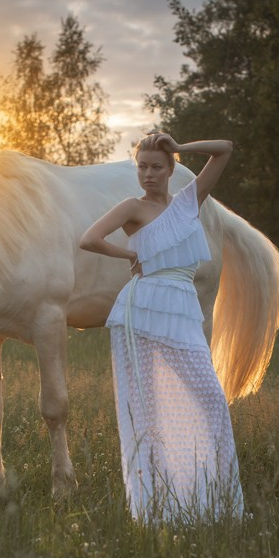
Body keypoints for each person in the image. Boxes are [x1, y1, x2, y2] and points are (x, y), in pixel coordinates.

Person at [79, 131, 244, 524]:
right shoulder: (132, 207)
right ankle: (155, 509)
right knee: (148, 413)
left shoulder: (188, 201)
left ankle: (213, 502)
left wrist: (180, 148)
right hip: (143, 306)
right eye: (142, 167)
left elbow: (225, 150)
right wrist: (130, 252)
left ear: (172, 170)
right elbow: (89, 238)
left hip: (182, 307)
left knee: (210, 399)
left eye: (157, 167)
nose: (148, 174)